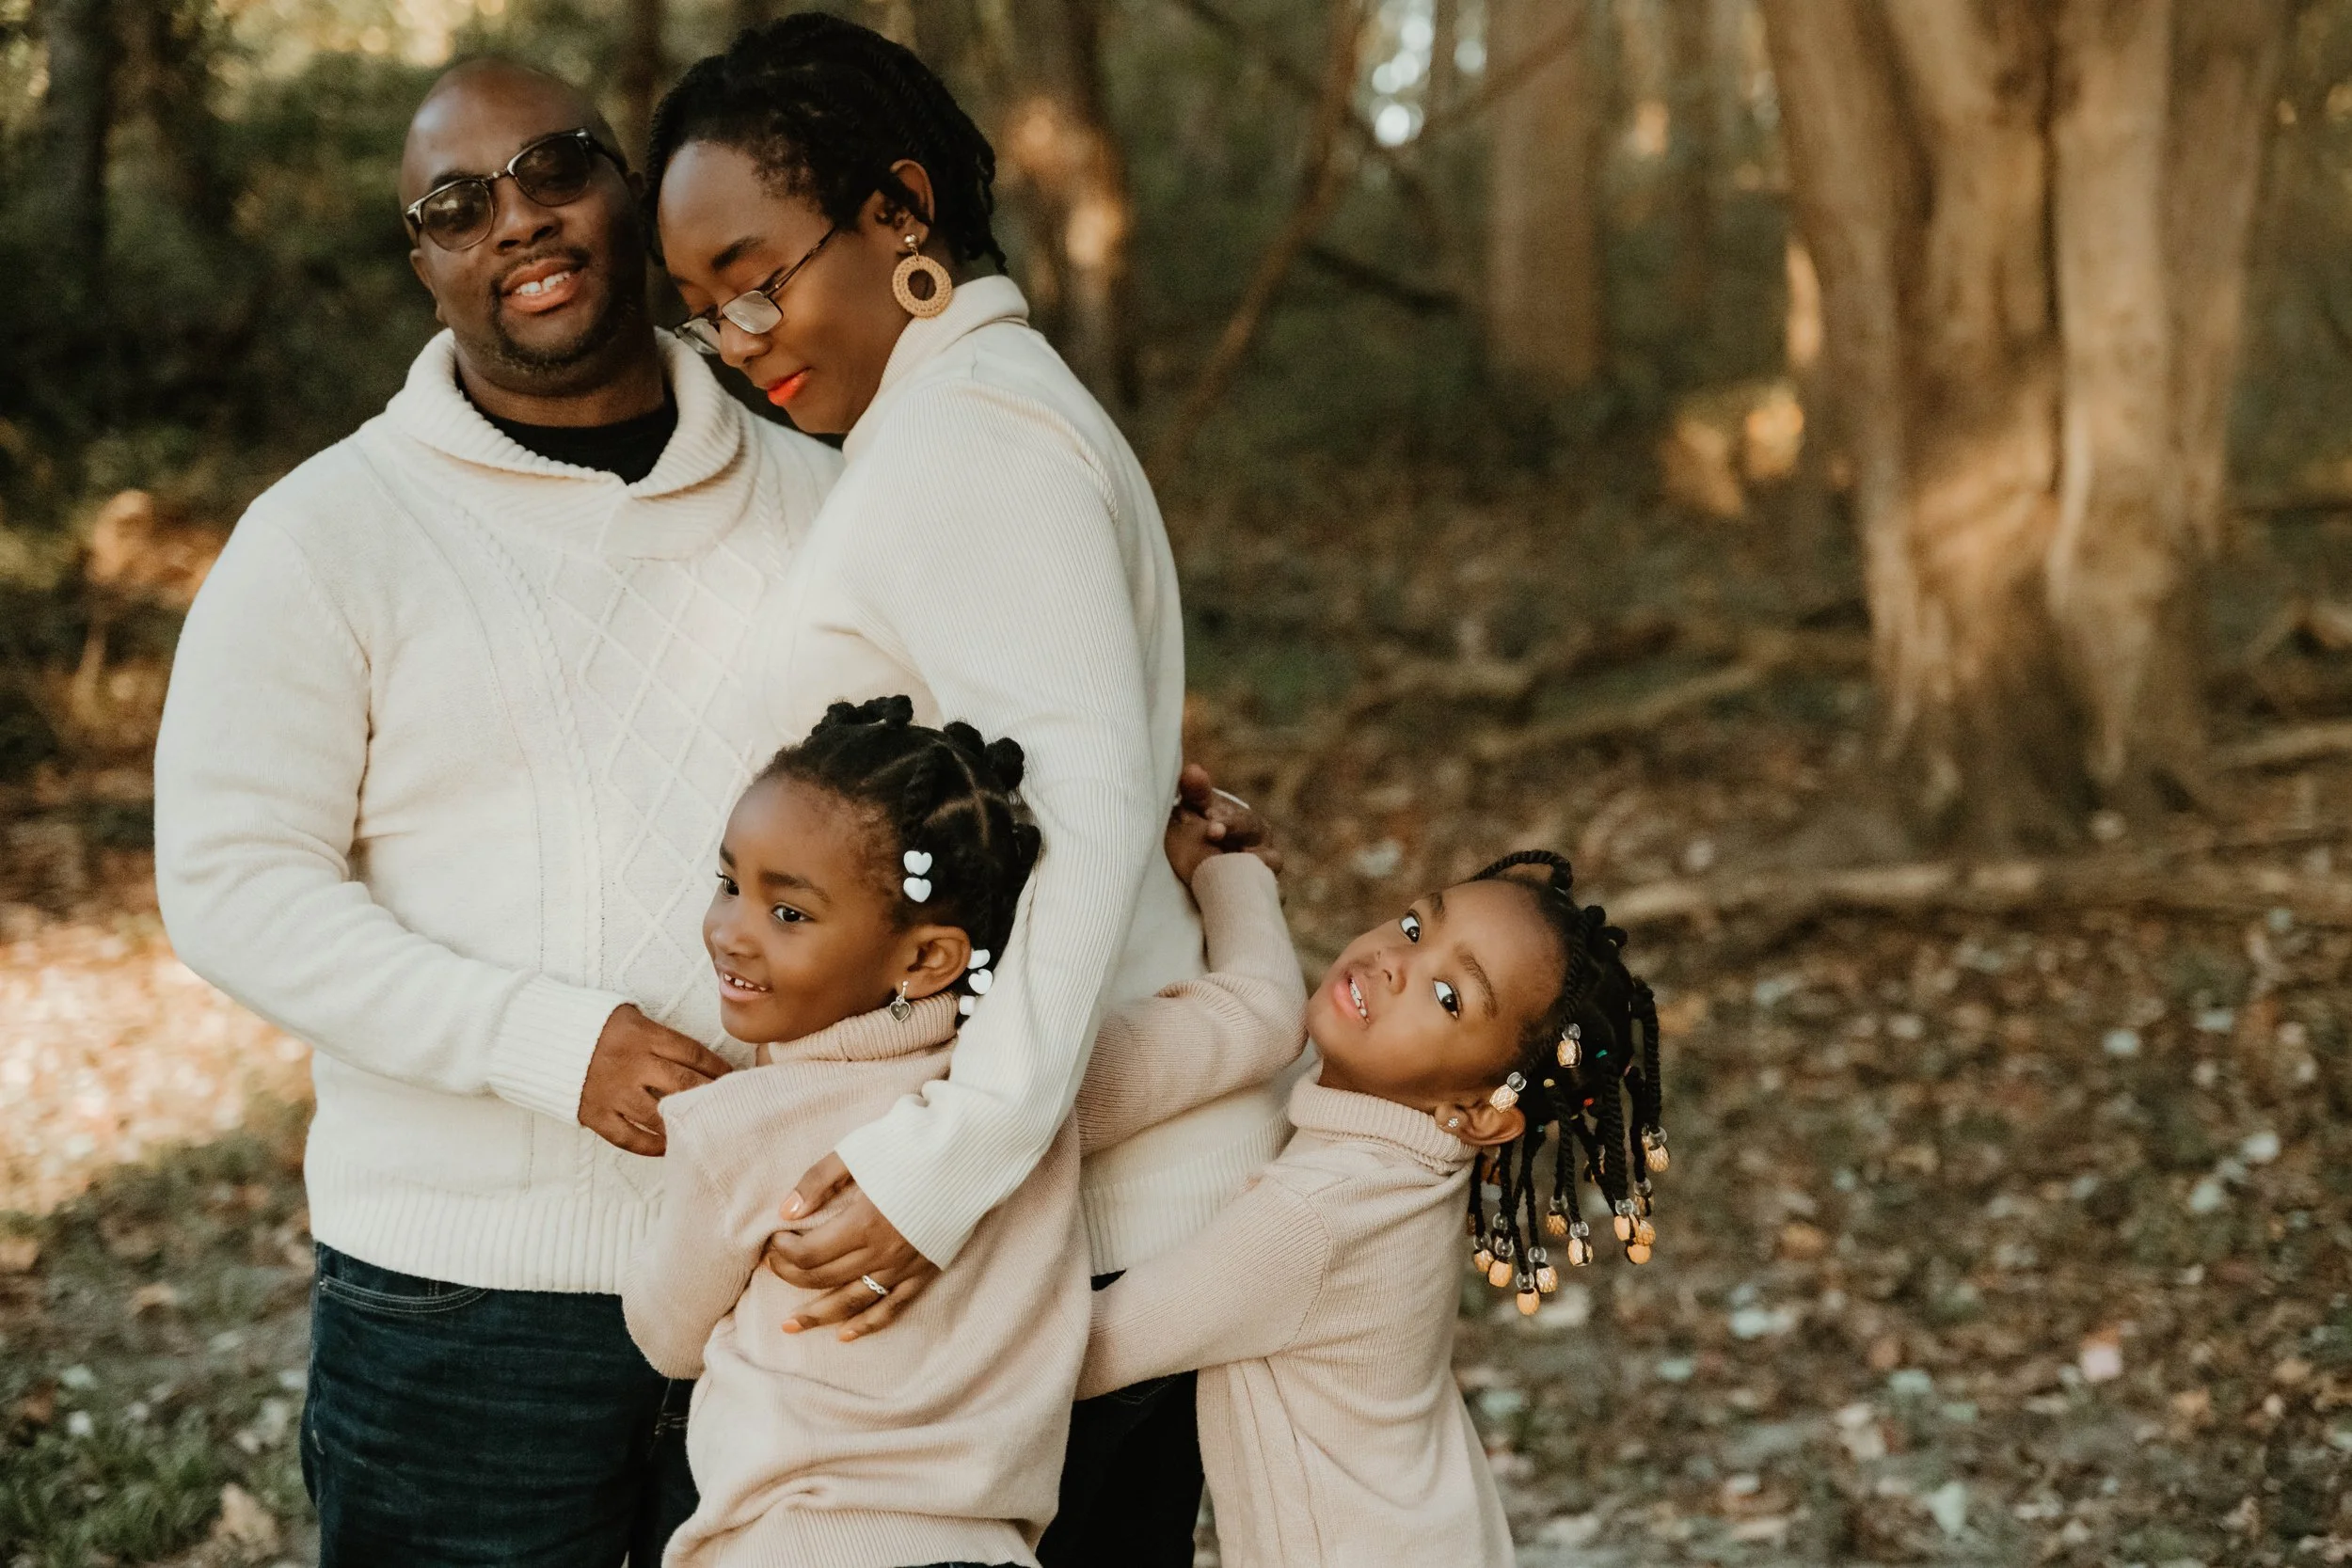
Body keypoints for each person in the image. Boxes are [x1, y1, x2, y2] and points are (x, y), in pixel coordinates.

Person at [151, 57, 842, 1568]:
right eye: (457, 206)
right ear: (424, 262)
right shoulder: (325, 535)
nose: (516, 220)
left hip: (794, 1275)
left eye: (553, 169)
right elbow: (231, 881)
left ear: (629, 189)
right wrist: (548, 1043)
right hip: (463, 1305)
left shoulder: (828, 499)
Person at [644, 17, 1291, 1559]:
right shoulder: (949, 422)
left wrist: (936, 1166)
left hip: (1060, 1223)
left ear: (900, 210)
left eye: (755, 278)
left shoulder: (975, 436)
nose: (738, 337)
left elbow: (1077, 820)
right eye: (702, 313)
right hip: (1042, 1211)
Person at [621, 697, 1302, 1568]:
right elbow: (1260, 1014)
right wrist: (1230, 870)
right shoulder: (1047, 1091)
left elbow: (666, 1336)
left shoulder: (736, 1130)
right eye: (729, 885)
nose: (731, 932)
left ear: (926, 958)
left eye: (788, 913)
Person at [1076, 853, 1673, 1568]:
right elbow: (1267, 1008)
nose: (1396, 964)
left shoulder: (1318, 1217)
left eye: (1447, 996)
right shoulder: (1402, 1143)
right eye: (1416, 926)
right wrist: (1229, 868)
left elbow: (1089, 1348)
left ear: (1480, 1113)